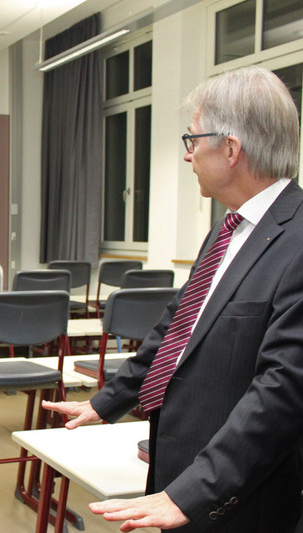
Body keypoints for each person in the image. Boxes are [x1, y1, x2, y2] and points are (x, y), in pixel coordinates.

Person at [44, 65, 303, 532]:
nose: (187, 156)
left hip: (239, 497)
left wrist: (192, 493)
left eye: (192, 140)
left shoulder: (298, 239)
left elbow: (284, 391)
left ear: (230, 149)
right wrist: (107, 402)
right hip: (185, 471)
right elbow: (177, 330)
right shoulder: (227, 230)